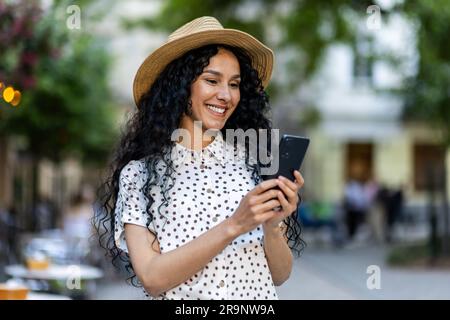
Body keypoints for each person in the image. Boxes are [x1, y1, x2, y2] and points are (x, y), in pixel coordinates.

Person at [96, 16, 305, 300]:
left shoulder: (254, 163)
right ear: (180, 88)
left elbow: (280, 275)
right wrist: (235, 224)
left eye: (234, 84)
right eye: (211, 80)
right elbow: (152, 278)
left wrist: (272, 225)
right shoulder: (140, 175)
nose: (225, 95)